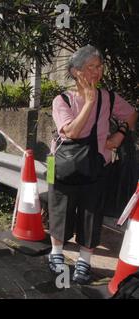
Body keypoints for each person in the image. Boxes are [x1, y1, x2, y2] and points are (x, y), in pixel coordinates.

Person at [48, 45, 137, 284]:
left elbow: (131, 113)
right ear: (76, 72)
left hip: (96, 166)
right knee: (60, 210)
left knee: (91, 214)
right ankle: (56, 253)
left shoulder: (108, 97)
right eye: (91, 67)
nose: (97, 72)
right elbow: (73, 132)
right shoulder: (61, 100)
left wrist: (118, 135)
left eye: (99, 66)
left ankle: (84, 261)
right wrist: (88, 102)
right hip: (61, 166)